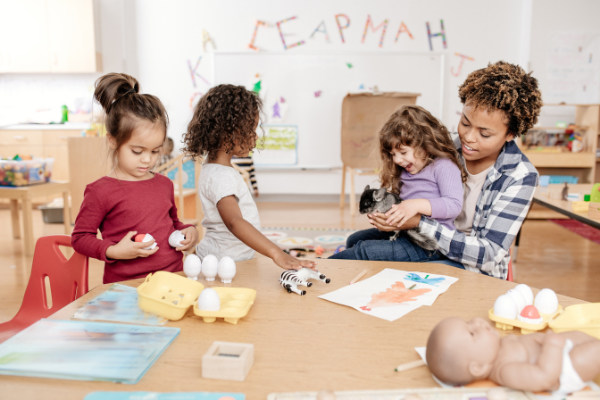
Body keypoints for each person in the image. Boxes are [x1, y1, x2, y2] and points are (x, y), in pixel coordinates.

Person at [356, 61, 542, 279]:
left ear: (510, 134)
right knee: (356, 243)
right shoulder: (443, 150)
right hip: (423, 242)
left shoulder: (520, 176)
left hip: (472, 267)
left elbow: (490, 254)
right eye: (465, 122)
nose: (468, 138)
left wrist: (418, 222)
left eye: (485, 134)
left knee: (367, 253)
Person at [71, 73, 198, 284]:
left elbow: (173, 223)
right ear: (113, 140)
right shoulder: (100, 191)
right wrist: (113, 251)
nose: (147, 160)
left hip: (174, 277)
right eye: (137, 151)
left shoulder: (164, 184)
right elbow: (80, 238)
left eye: (156, 151)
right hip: (127, 284)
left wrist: (188, 231)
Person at [183, 84, 315, 271]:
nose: (255, 137)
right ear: (229, 133)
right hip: (226, 263)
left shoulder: (213, 168)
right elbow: (234, 222)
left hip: (227, 258)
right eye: (251, 130)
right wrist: (277, 253)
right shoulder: (222, 176)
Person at [330, 105, 465, 262]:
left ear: (425, 144)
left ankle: (324, 269)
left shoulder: (444, 166)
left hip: (429, 244)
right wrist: (386, 218)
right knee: (354, 239)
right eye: (393, 154)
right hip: (404, 232)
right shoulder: (406, 170)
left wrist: (416, 205)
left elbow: (454, 205)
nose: (397, 160)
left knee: (364, 250)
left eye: (403, 152)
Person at [426, 317, 600, 393]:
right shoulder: (505, 370)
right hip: (565, 368)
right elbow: (544, 378)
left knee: (587, 340)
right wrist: (553, 346)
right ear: (478, 367)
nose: (478, 322)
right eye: (472, 332)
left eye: (469, 322)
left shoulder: (499, 347)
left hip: (560, 349)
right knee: (594, 351)